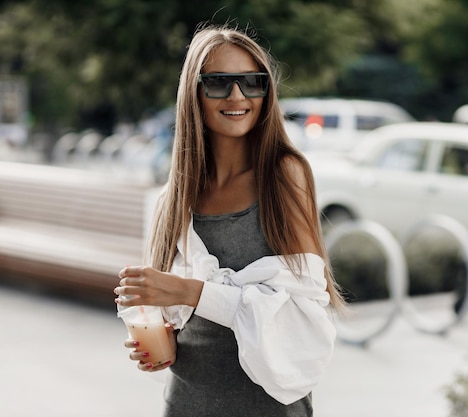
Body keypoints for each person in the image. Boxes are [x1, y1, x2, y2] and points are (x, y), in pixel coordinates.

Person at [114, 23, 344, 417]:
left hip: (270, 403)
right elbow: (172, 313)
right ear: (195, 93)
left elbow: (306, 304)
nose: (237, 96)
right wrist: (161, 340)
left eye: (252, 82)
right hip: (187, 399)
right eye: (218, 82)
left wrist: (189, 292)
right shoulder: (174, 197)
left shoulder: (285, 174)